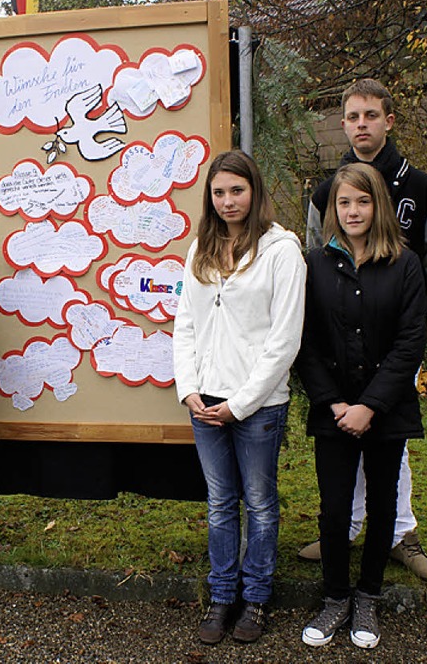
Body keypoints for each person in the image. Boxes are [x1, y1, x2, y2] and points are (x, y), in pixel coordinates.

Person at [301, 78, 427, 582]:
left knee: (390, 439)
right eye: (352, 117)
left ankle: (400, 535)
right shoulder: (327, 190)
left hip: (396, 343)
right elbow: (313, 264)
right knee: (344, 438)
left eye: (370, 115)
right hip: (340, 342)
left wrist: (405, 321)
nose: (361, 124)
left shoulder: (420, 186)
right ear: (343, 124)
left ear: (389, 120)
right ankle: (342, 530)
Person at [173, 150, 306, 645]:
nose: (228, 201)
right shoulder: (200, 249)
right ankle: (222, 595)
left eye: (238, 190)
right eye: (219, 192)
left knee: (259, 503)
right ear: (209, 197)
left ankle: (255, 599)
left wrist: (241, 404)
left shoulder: (280, 251)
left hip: (259, 404)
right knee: (220, 504)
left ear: (255, 191)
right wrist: (188, 388)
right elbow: (185, 324)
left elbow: (284, 340)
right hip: (204, 400)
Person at [297, 163, 427, 649]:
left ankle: (368, 595)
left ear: (379, 206)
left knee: (382, 506)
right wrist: (332, 402)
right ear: (333, 209)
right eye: (344, 203)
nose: (353, 211)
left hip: (386, 411)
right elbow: (305, 341)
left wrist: (369, 405)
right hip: (333, 411)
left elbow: (411, 342)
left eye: (362, 201)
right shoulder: (314, 264)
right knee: (333, 511)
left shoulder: (405, 264)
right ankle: (335, 597)